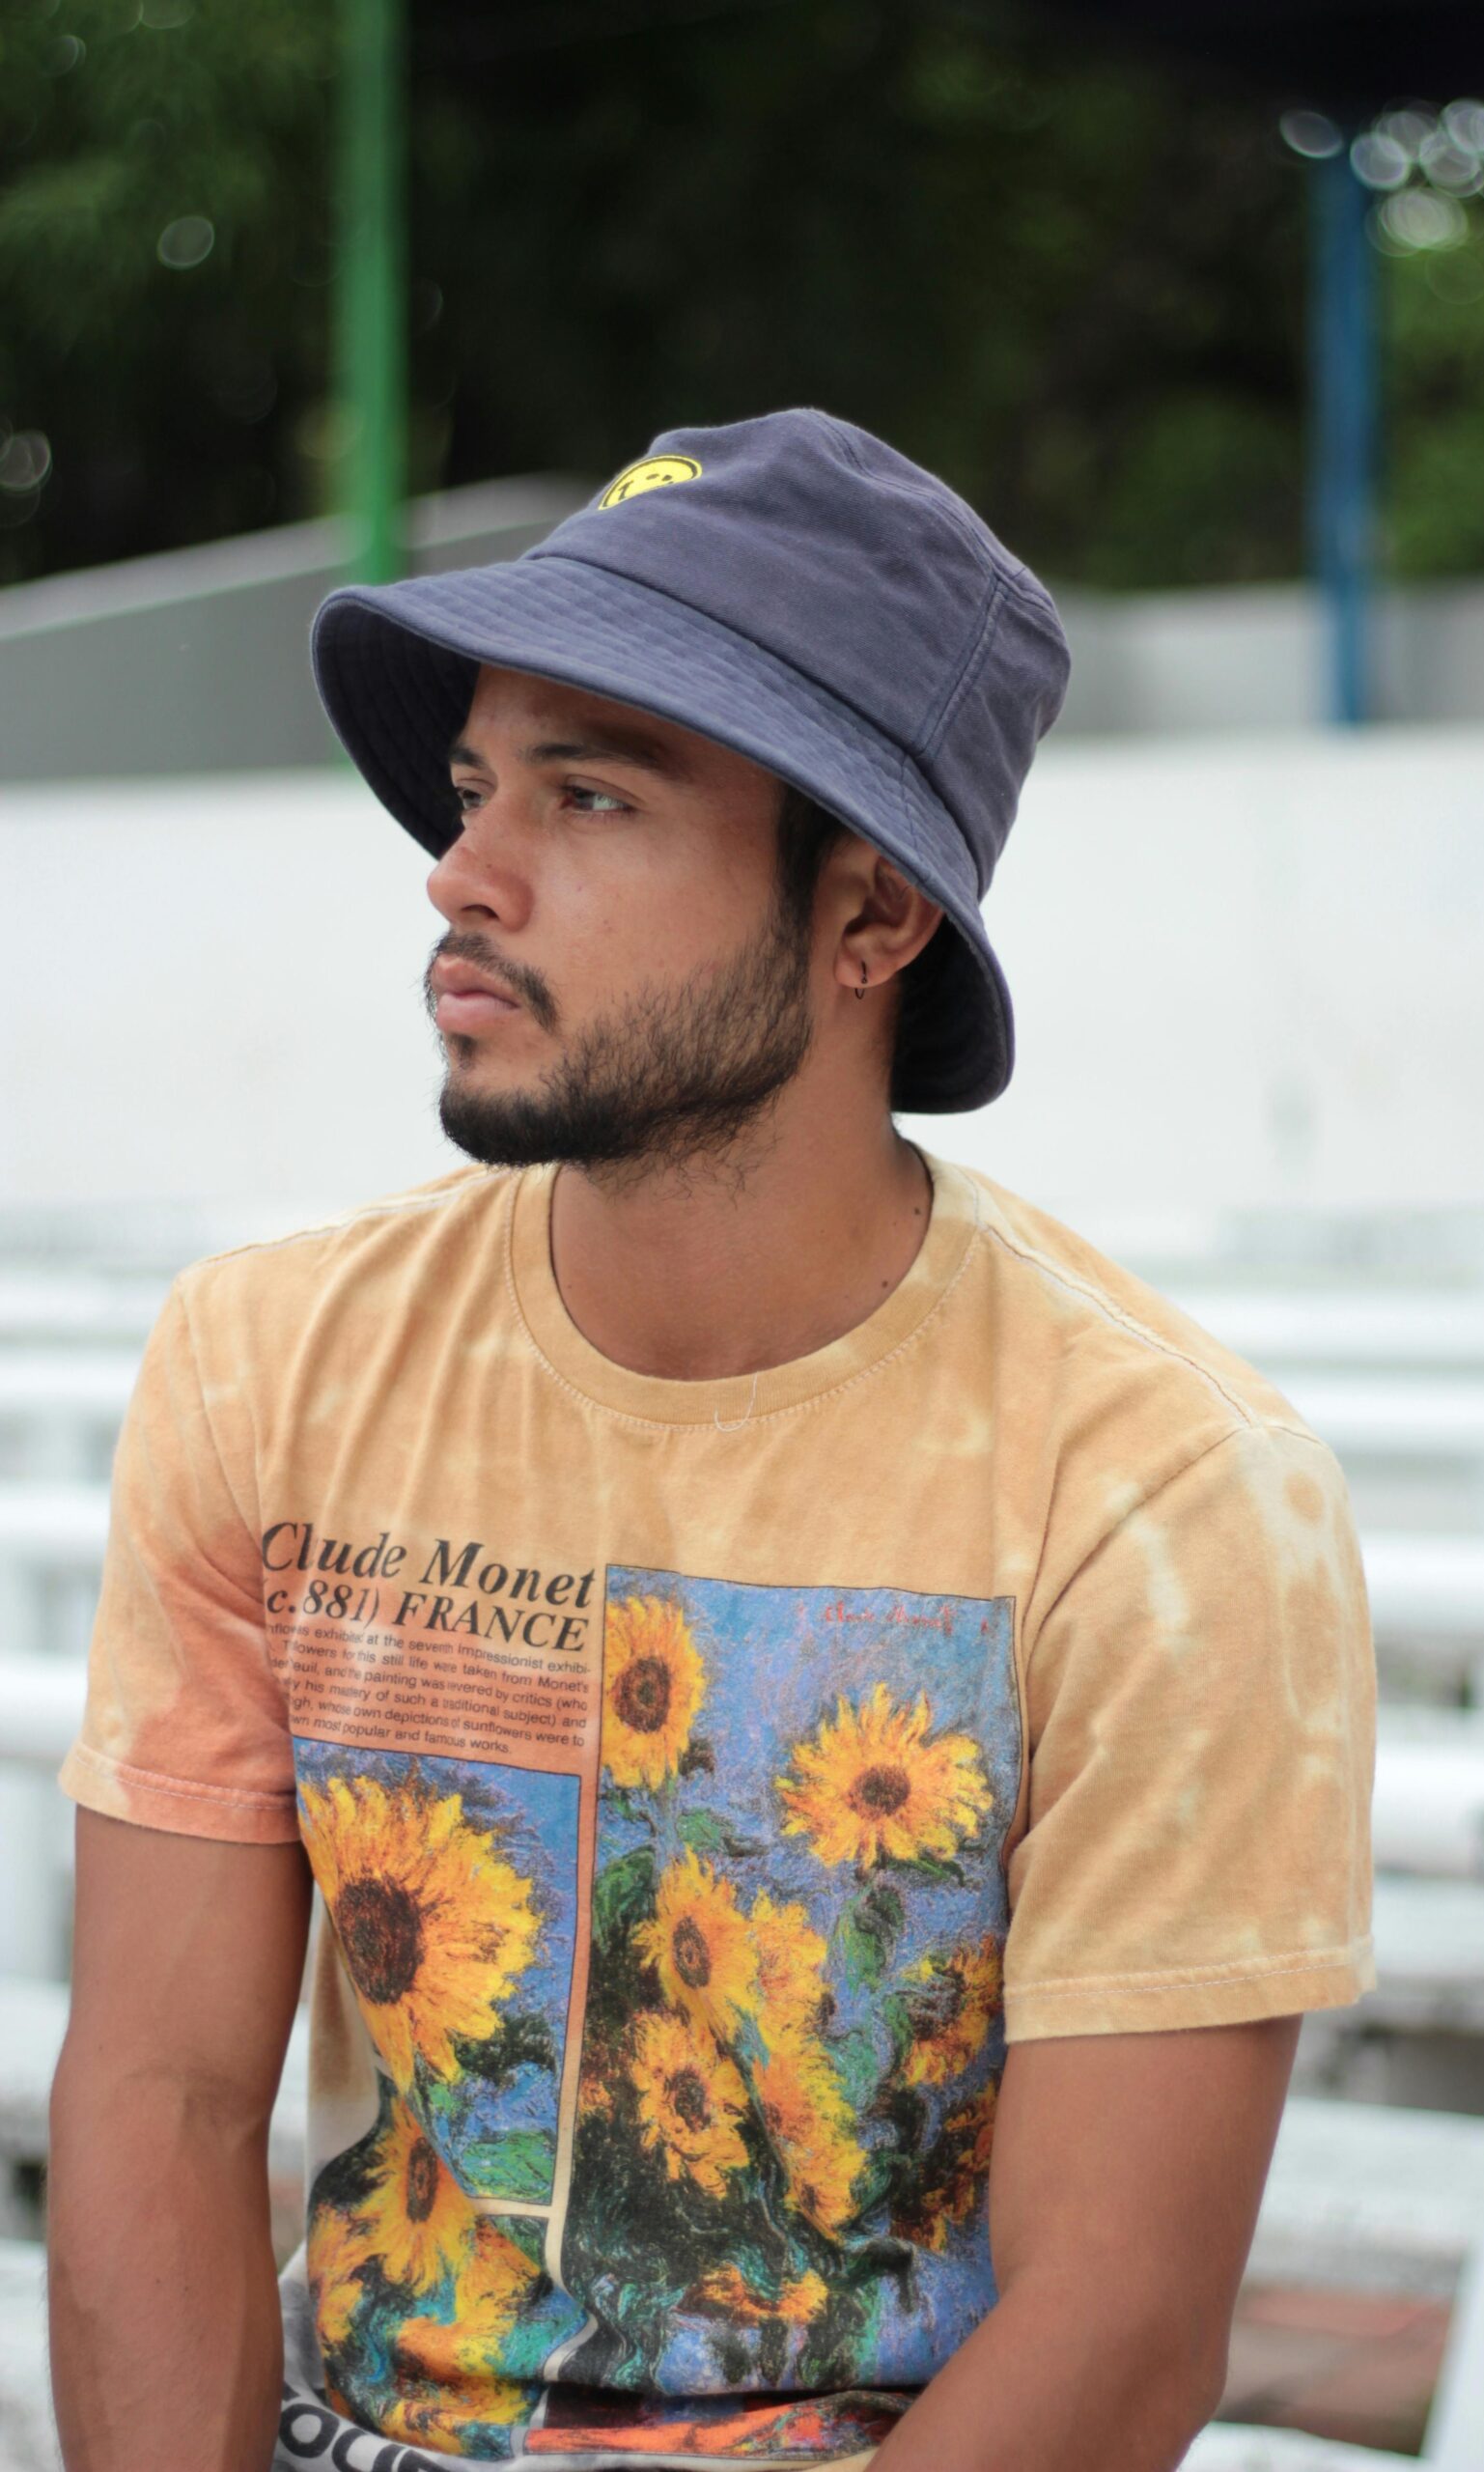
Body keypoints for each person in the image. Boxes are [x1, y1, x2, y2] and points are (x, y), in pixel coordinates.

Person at [48, 407, 1374, 2472]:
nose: (461, 868)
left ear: (868, 919)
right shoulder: (266, 1361)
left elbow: (1118, 2324)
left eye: (589, 793)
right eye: (479, 781)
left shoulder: (1162, 1489)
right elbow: (159, 2094)